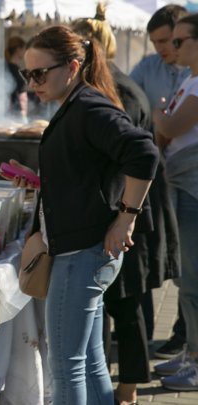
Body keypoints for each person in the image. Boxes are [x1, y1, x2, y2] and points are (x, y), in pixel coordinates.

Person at [4, 26, 159, 404]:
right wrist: (46, 182)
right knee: (89, 362)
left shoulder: (88, 107)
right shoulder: (77, 105)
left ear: (72, 67)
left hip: (83, 253)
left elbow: (144, 152)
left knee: (67, 365)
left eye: (40, 73)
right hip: (85, 249)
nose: (32, 83)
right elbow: (90, 169)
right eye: (28, 74)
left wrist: (126, 218)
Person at [72, 6, 181, 404]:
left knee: (126, 304)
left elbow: (138, 155)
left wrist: (124, 215)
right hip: (125, 210)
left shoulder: (112, 91)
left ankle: (129, 391)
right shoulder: (108, 86)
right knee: (120, 304)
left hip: (127, 213)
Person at [130, 4, 190, 360]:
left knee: (190, 266)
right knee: (170, 256)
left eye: (168, 41)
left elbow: (168, 124)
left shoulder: (193, 70)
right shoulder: (148, 68)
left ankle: (184, 334)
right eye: (156, 43)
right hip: (157, 175)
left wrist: (161, 122)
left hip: (186, 176)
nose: (164, 49)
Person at [152, 13, 198, 392]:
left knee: (193, 282)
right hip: (182, 187)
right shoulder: (190, 79)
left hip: (192, 191)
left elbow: (169, 127)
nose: (173, 47)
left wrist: (158, 113)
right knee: (186, 283)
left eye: (180, 41)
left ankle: (197, 361)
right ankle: (192, 354)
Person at [5, 36, 28, 122]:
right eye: (23, 49)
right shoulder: (13, 70)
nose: (24, 52)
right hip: (15, 112)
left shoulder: (9, 68)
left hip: (15, 111)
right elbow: (19, 93)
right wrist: (22, 112)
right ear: (18, 49)